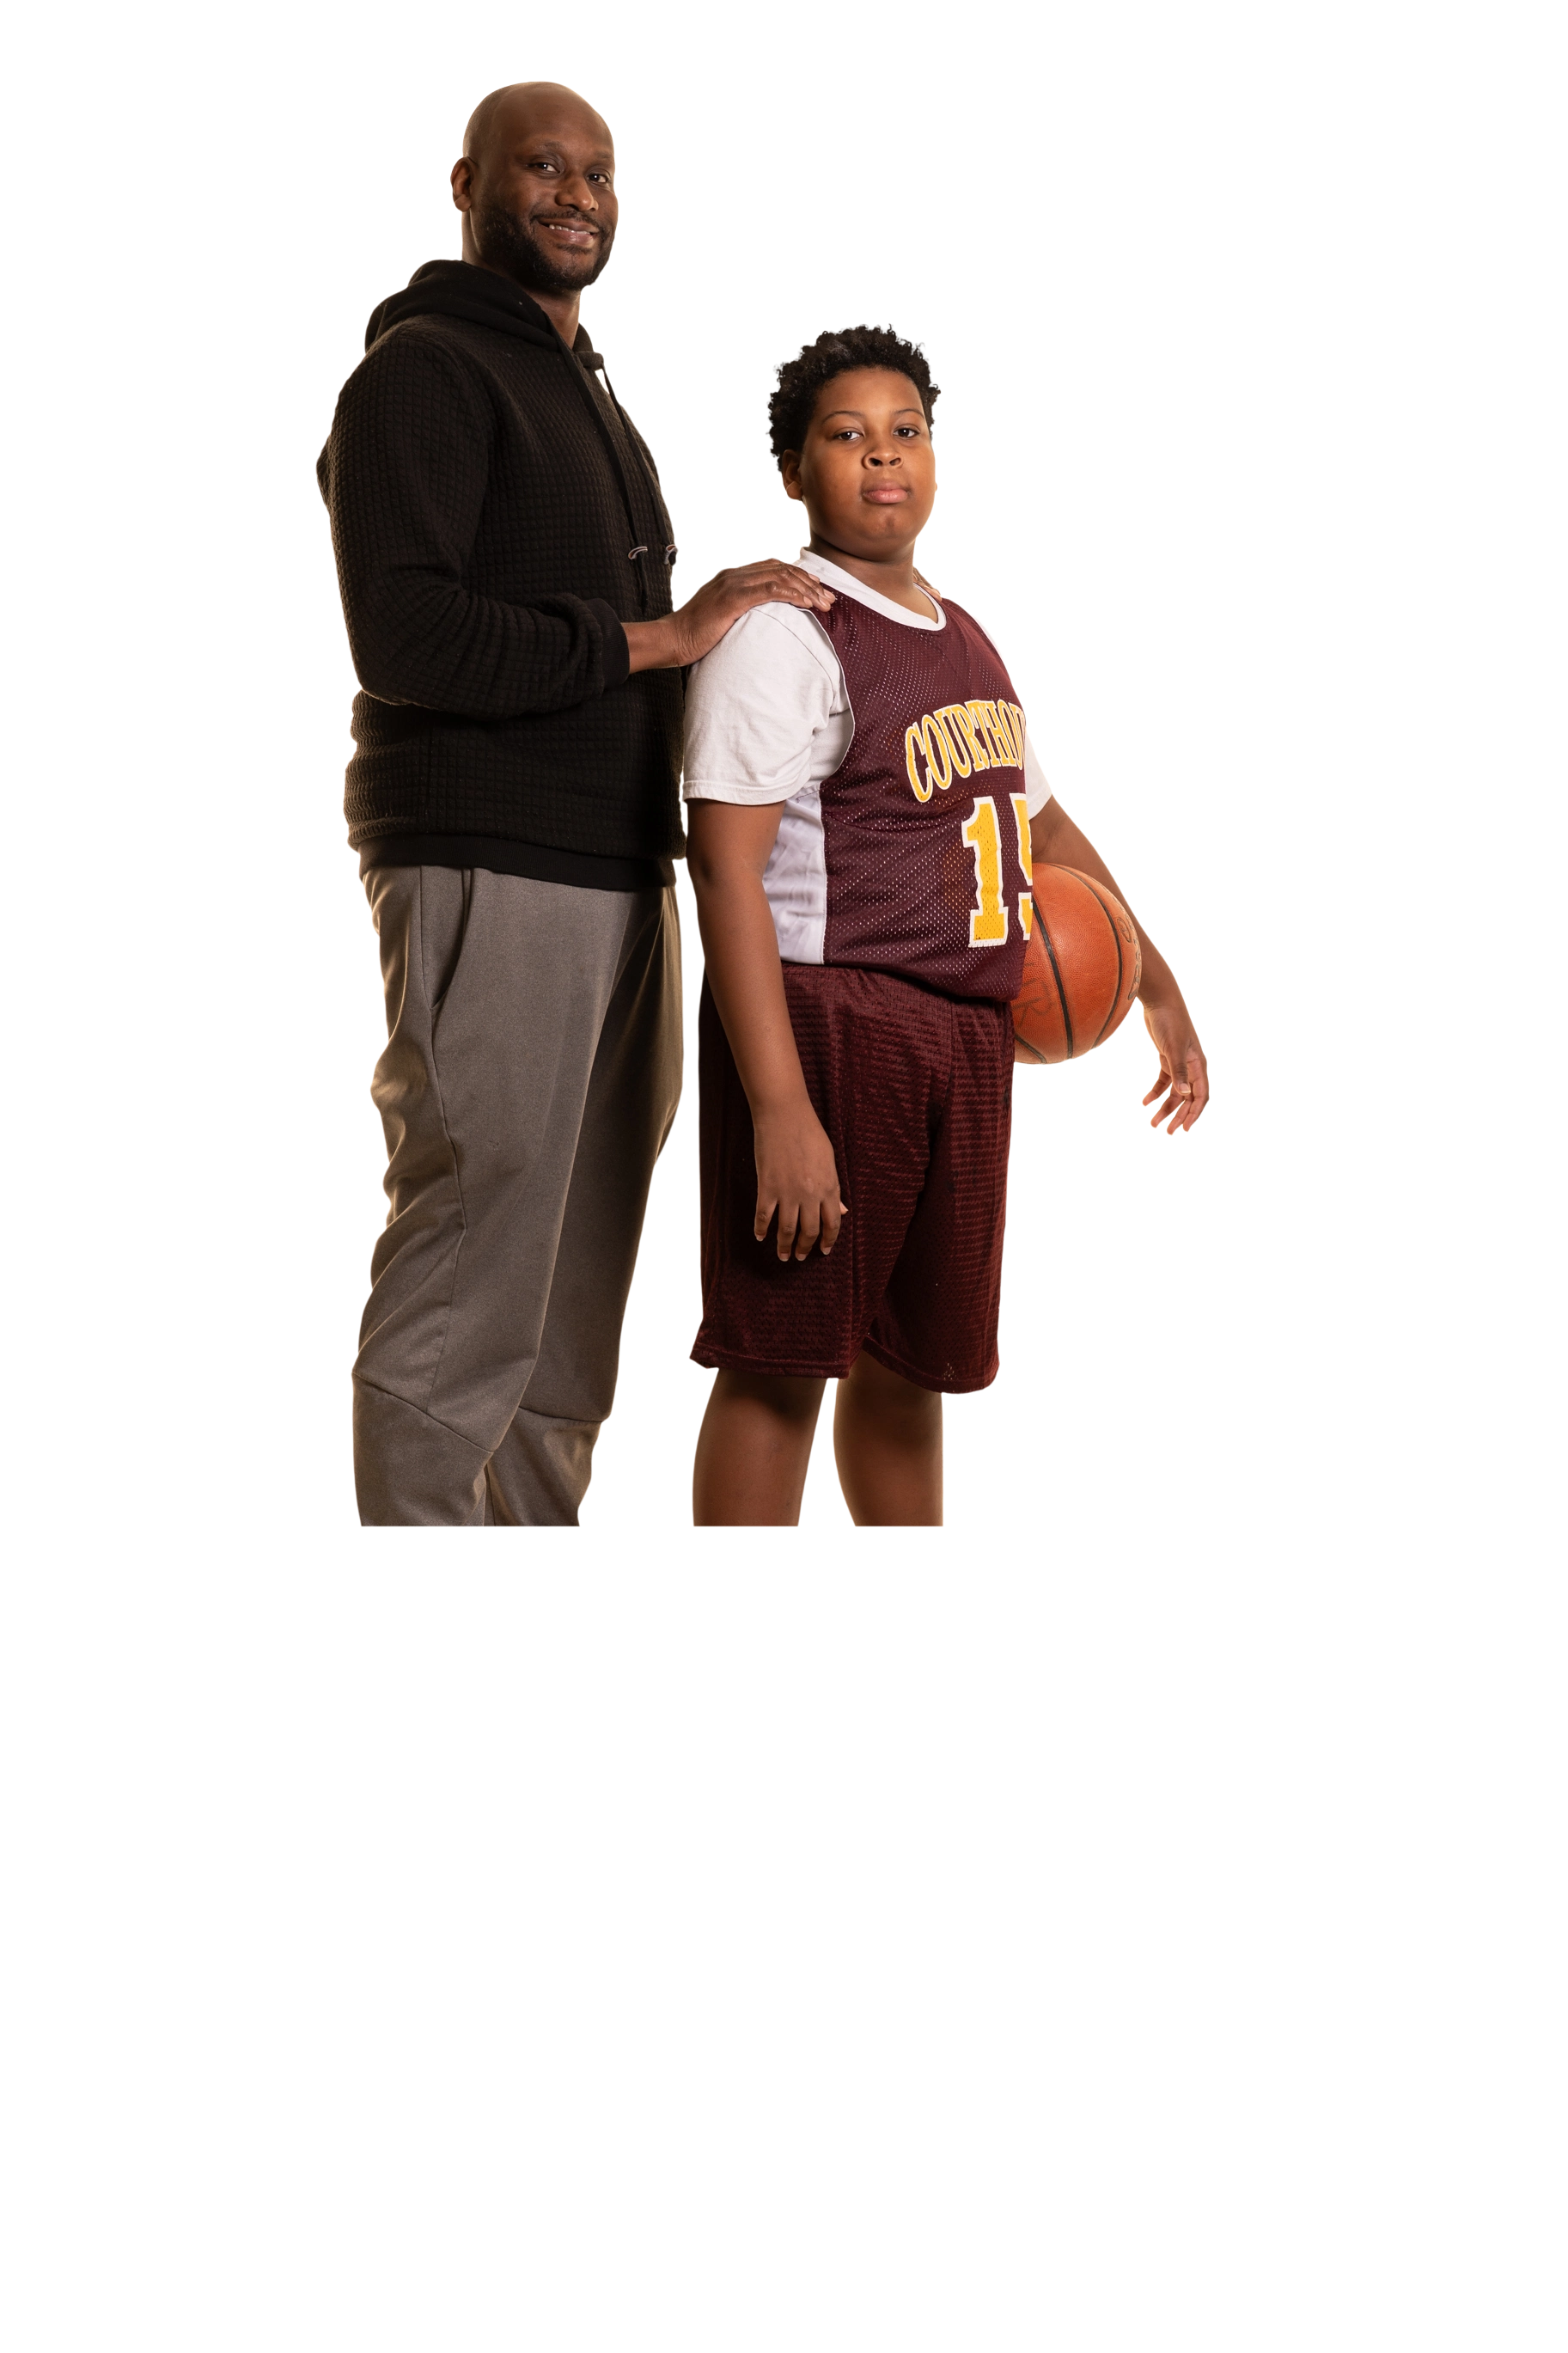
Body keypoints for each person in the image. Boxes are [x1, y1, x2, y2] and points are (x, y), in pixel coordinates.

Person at [317, 82, 833, 1525]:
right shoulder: (420, 372)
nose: (577, 194)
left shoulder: (589, 396)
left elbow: (643, 664)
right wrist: (660, 636)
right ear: (468, 182)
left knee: (564, 1333)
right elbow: (406, 637)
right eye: (544, 165)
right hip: (494, 861)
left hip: (623, 873)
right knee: (467, 1288)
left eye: (599, 173)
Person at [681, 309, 1209, 1528]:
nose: (883, 452)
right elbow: (724, 873)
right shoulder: (783, 633)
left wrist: (1159, 982)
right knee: (780, 1367)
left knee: (912, 1374)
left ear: (934, 457)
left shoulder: (964, 637)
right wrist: (780, 1109)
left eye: (907, 429)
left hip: (963, 1041)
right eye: (845, 433)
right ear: (792, 471)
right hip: (830, 1029)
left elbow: (1041, 829)